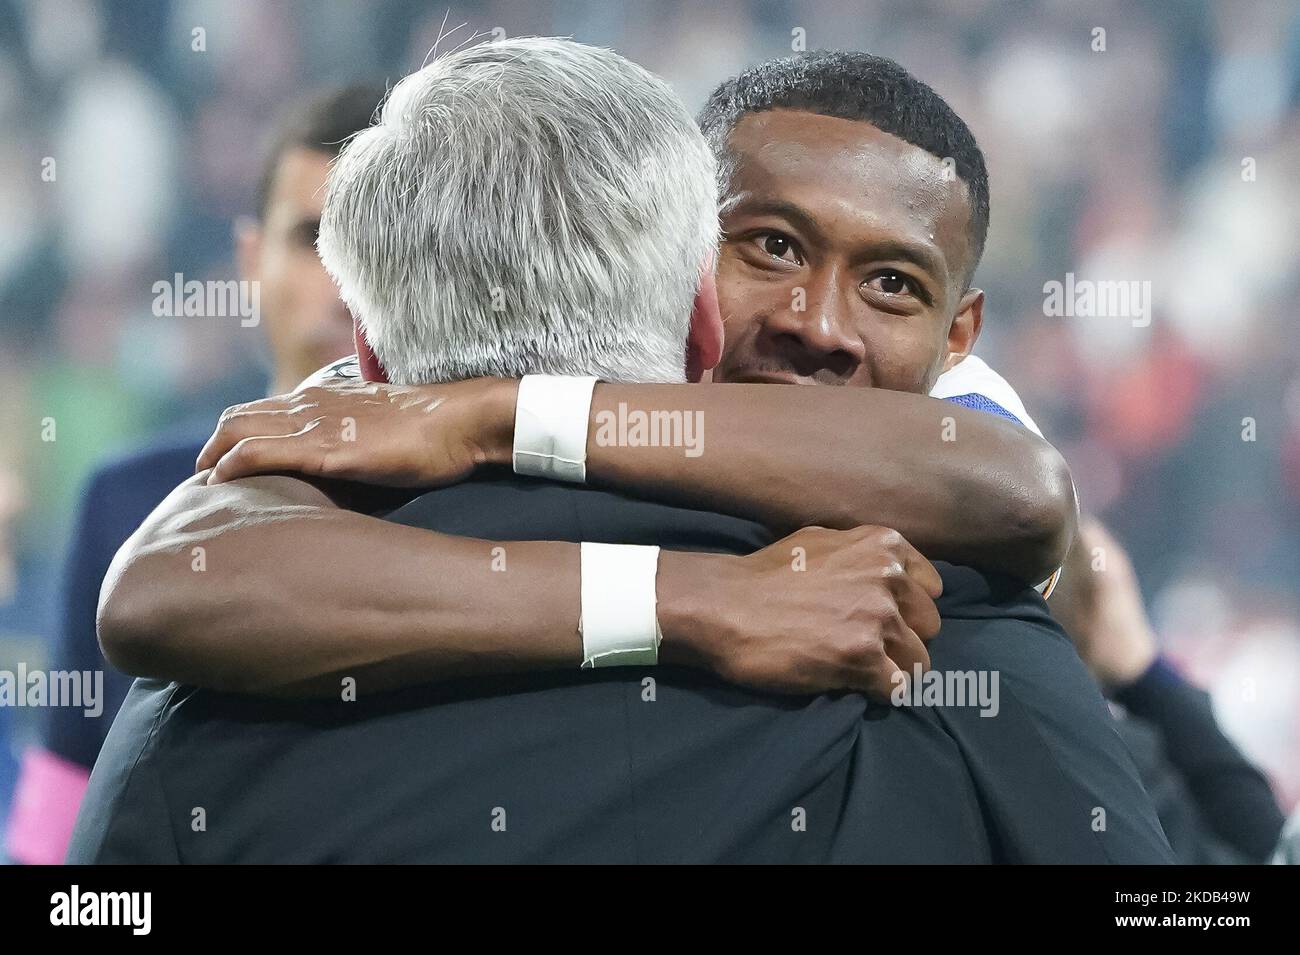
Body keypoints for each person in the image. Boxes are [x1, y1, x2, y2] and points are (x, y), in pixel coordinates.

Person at [72, 41, 1170, 863]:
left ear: (957, 340)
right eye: (771, 247)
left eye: (891, 285)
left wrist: (493, 411)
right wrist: (699, 600)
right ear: (691, 280)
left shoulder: (943, 579)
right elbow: (168, 581)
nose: (818, 325)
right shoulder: (940, 637)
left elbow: (1025, 492)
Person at [1, 83, 383, 865]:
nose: (343, 279)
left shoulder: (480, 501)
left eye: (374, 241)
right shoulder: (130, 505)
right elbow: (58, 827)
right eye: (313, 237)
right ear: (249, 260)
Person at [1050, 519, 1286, 863]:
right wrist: (1146, 672)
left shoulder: (960, 720)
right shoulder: (1112, 763)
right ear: (1096, 606)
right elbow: (1269, 848)